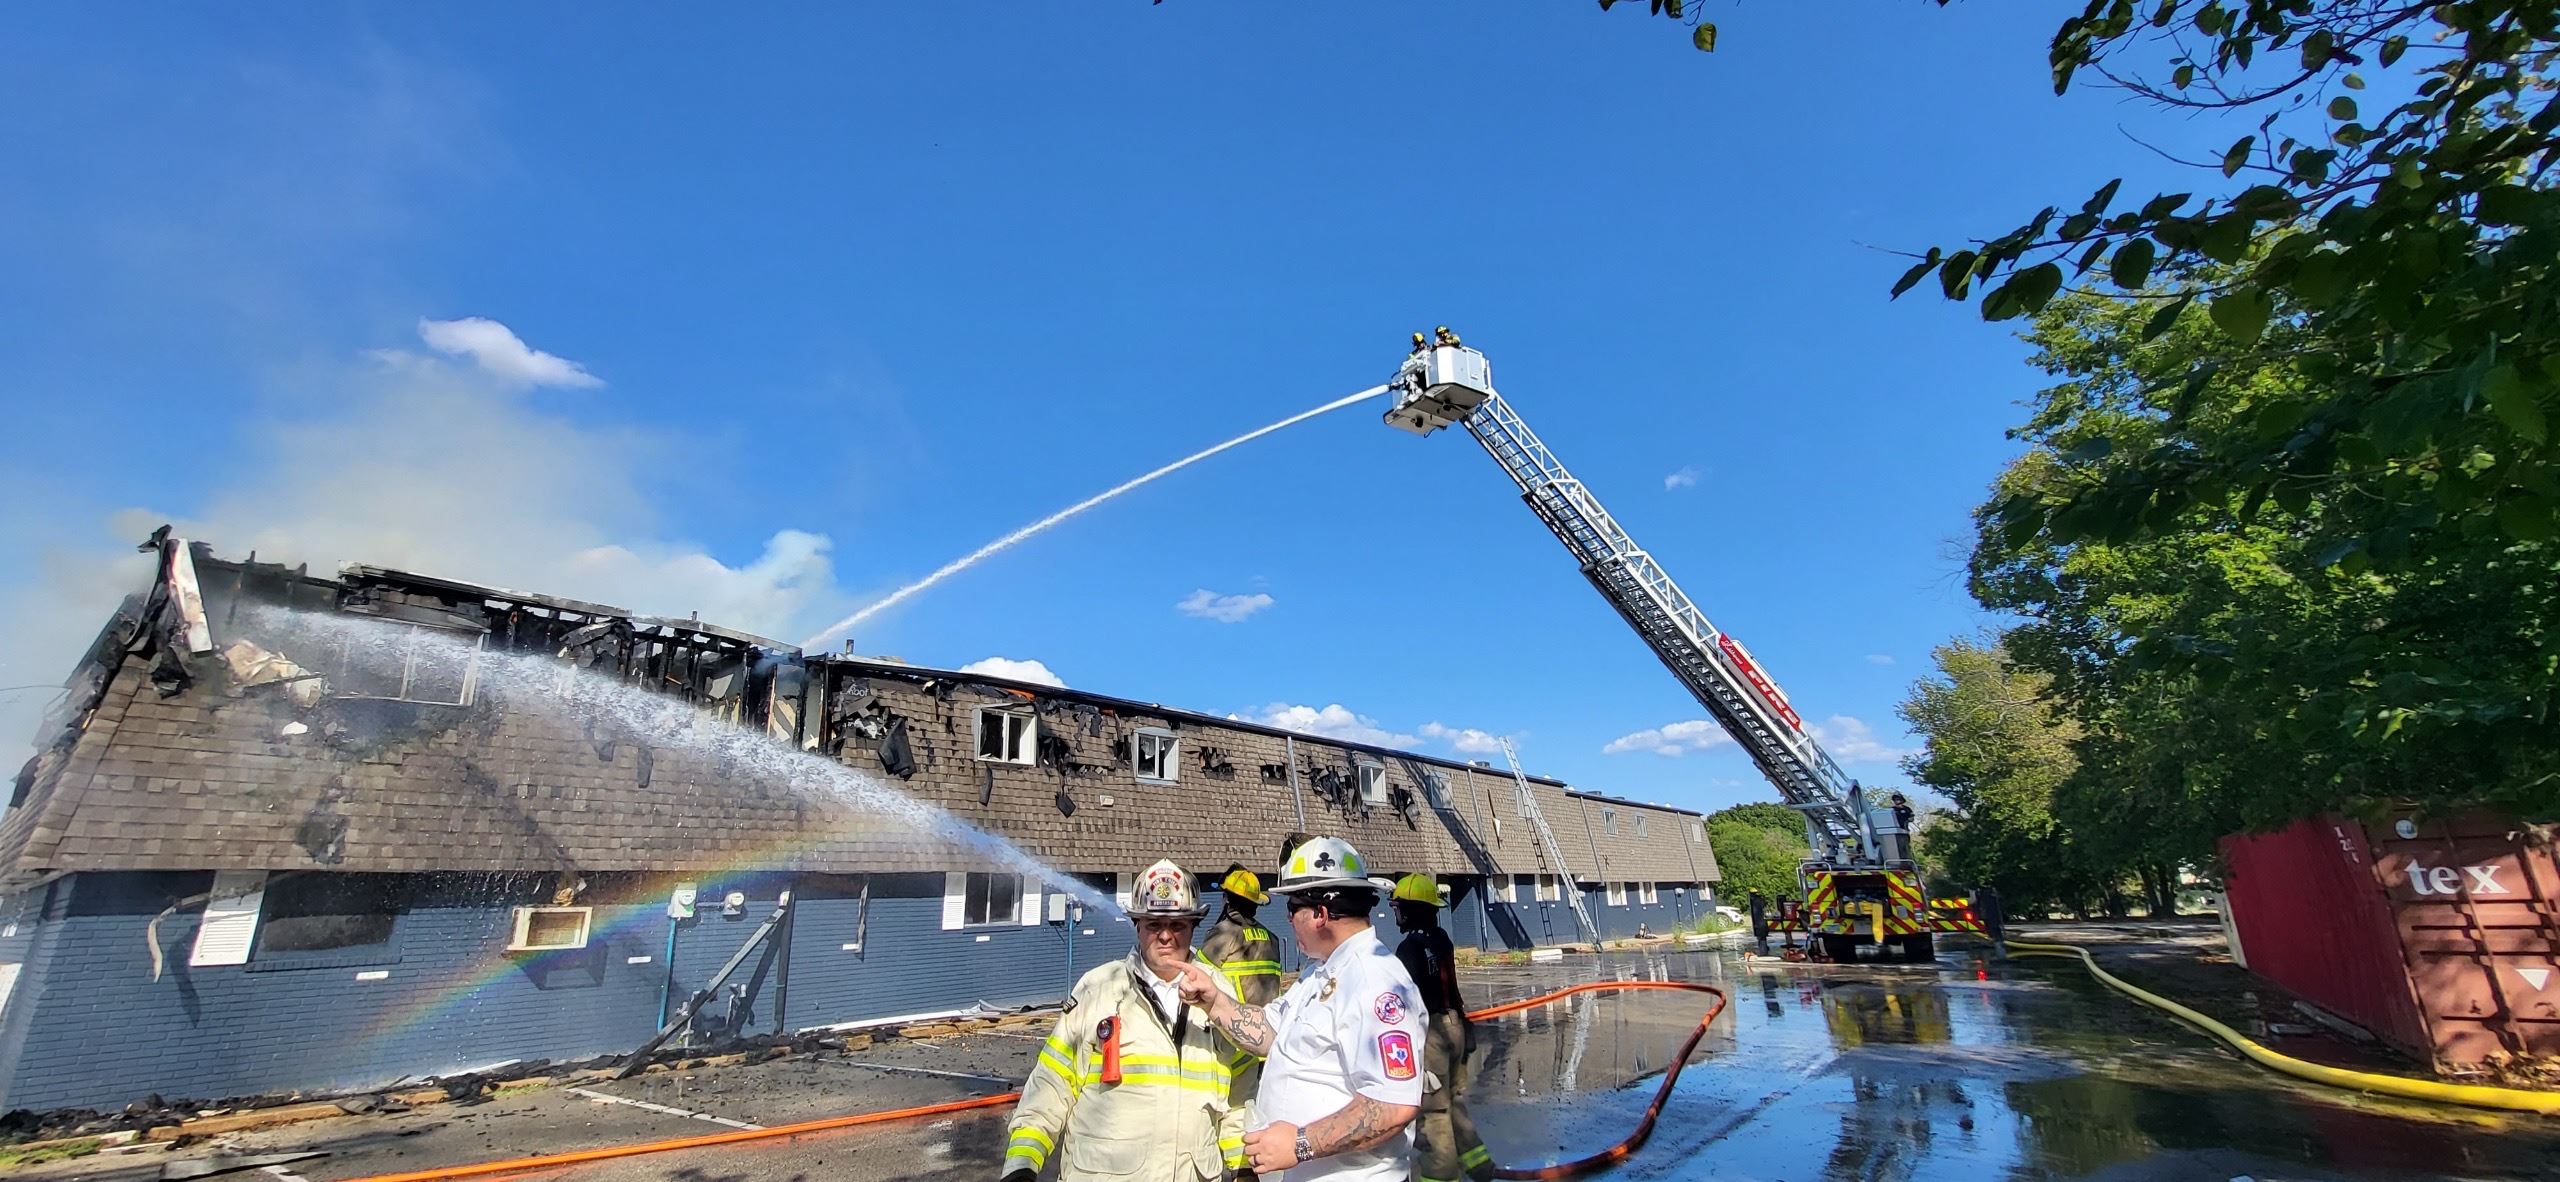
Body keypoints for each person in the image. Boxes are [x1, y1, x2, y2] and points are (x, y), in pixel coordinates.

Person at [1176, 838, 1425, 1182]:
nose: (1288, 918)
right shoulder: (1320, 971)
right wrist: (1215, 1001)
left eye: (1292, 908)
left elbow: (1393, 1106)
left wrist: (1300, 1144)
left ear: (1321, 914)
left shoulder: (1374, 981)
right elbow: (1270, 1033)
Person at [1003, 860, 1246, 1182]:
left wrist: (1243, 1168)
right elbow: (1052, 1082)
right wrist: (1021, 1165)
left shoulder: (1220, 993)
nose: (1165, 936)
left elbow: (1240, 1093)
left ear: (1194, 925)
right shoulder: (1097, 988)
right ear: (1137, 925)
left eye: (1177, 925)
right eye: (1153, 925)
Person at [1390, 874, 1491, 1182]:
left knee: (1434, 1113)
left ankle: (1441, 1175)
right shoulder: (1442, 938)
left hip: (1431, 1034)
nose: (1396, 914)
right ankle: (1480, 1165)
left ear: (1411, 909)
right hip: (1455, 1025)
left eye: (1399, 907)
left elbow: (1404, 1003)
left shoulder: (1408, 949)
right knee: (1454, 1100)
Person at [1199, 865, 1284, 1005]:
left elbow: (1197, 975)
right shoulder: (1272, 939)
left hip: (1233, 1022)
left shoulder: (1223, 934)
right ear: (1255, 904)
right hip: (1268, 1022)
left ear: (1226, 899)